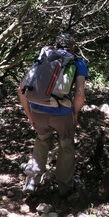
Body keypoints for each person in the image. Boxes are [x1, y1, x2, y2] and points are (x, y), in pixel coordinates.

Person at [17, 32, 88, 198]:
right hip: (62, 114)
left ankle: (32, 181)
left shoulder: (42, 58)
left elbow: (21, 90)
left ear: (55, 46)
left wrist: (30, 116)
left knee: (42, 140)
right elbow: (79, 94)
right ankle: (65, 187)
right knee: (66, 145)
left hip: (37, 111)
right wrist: (75, 114)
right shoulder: (77, 62)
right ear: (72, 47)